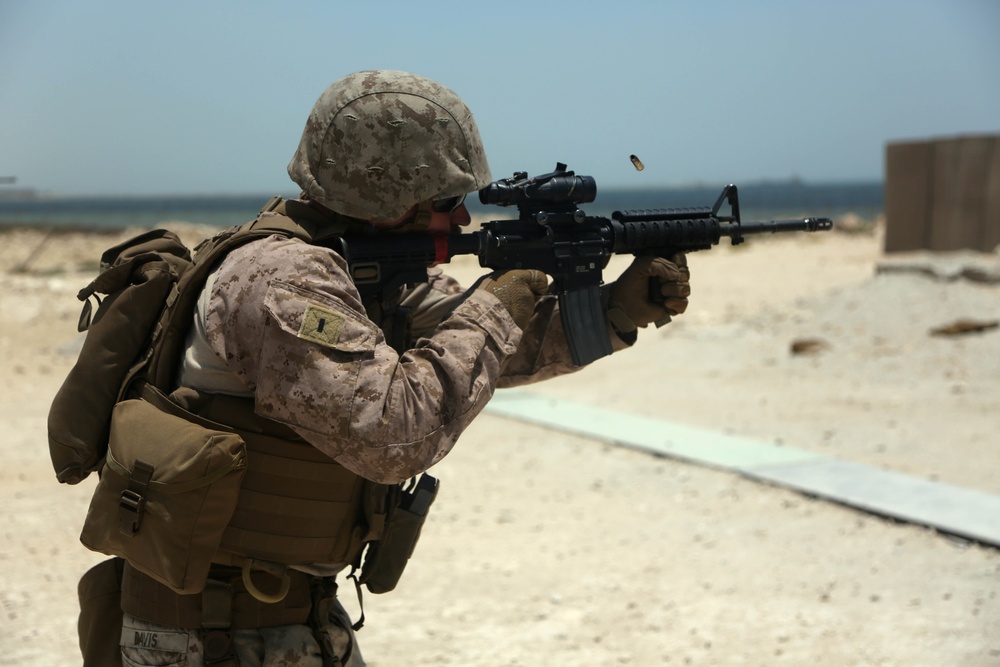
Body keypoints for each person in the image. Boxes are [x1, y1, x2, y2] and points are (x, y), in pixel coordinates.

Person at [115, 70, 691, 666]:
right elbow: (393, 432)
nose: (463, 220)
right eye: (446, 202)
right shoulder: (282, 281)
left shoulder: (363, 272)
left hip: (278, 618)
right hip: (215, 634)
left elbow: (474, 350)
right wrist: (502, 297)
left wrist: (615, 310)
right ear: (384, 194)